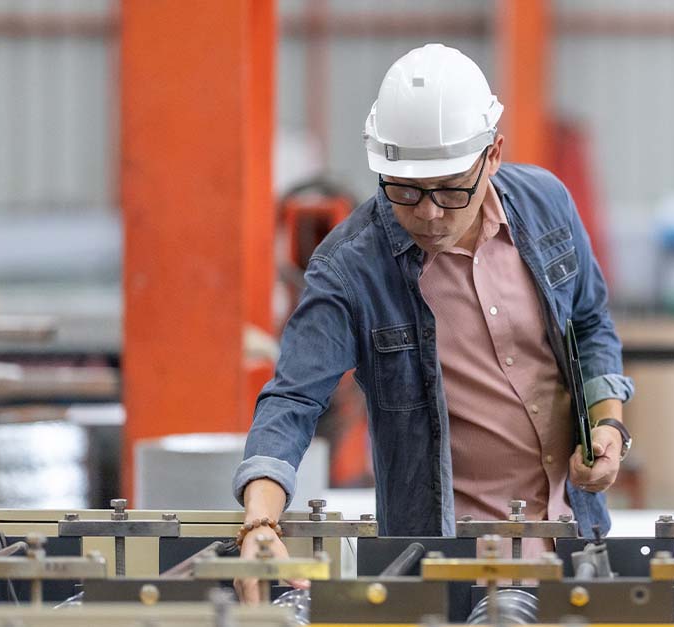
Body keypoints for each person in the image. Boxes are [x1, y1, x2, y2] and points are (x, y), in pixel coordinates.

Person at [231, 43, 634, 603]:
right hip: (449, 577)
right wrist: (260, 521)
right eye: (405, 190)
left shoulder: (546, 205)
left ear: (493, 155)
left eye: (449, 188)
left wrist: (607, 424)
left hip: (577, 548)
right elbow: (293, 399)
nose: (428, 212)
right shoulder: (350, 269)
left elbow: (589, 325)